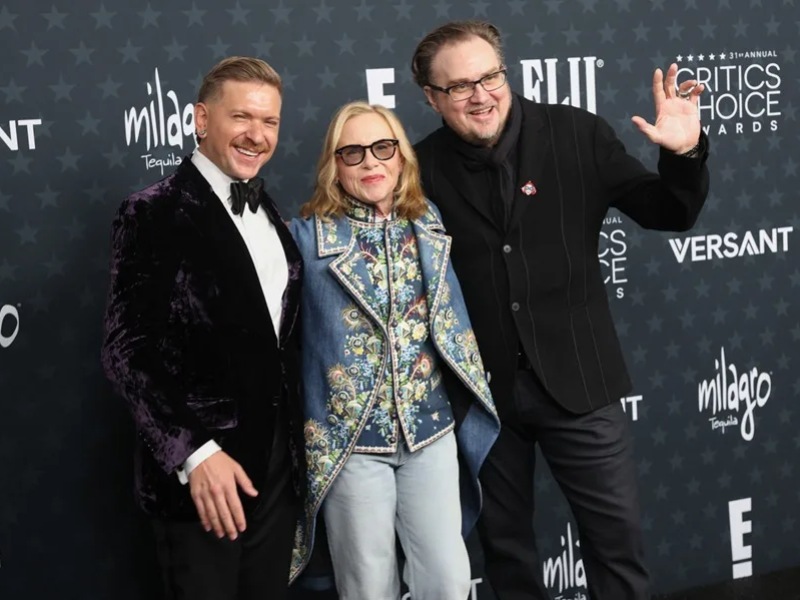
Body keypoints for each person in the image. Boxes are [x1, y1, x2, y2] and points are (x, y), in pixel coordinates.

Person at [411, 20, 710, 600]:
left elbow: (669, 212)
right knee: (506, 553)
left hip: (580, 379)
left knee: (616, 545)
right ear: (431, 97)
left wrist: (684, 153)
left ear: (505, 71)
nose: (481, 95)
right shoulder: (416, 170)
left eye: (490, 76)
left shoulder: (576, 133)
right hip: (481, 398)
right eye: (459, 87)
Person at [101, 56, 303, 600]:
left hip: (278, 471)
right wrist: (197, 454)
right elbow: (126, 351)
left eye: (270, 122)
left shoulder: (273, 215)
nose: (257, 136)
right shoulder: (153, 212)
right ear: (200, 119)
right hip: (201, 482)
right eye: (242, 117)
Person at [288, 101, 501, 600]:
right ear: (334, 166)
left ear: (401, 156)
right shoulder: (305, 238)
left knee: (448, 578)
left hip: (429, 430)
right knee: (368, 586)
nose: (371, 163)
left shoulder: (427, 220)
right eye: (353, 152)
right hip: (352, 443)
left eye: (383, 148)